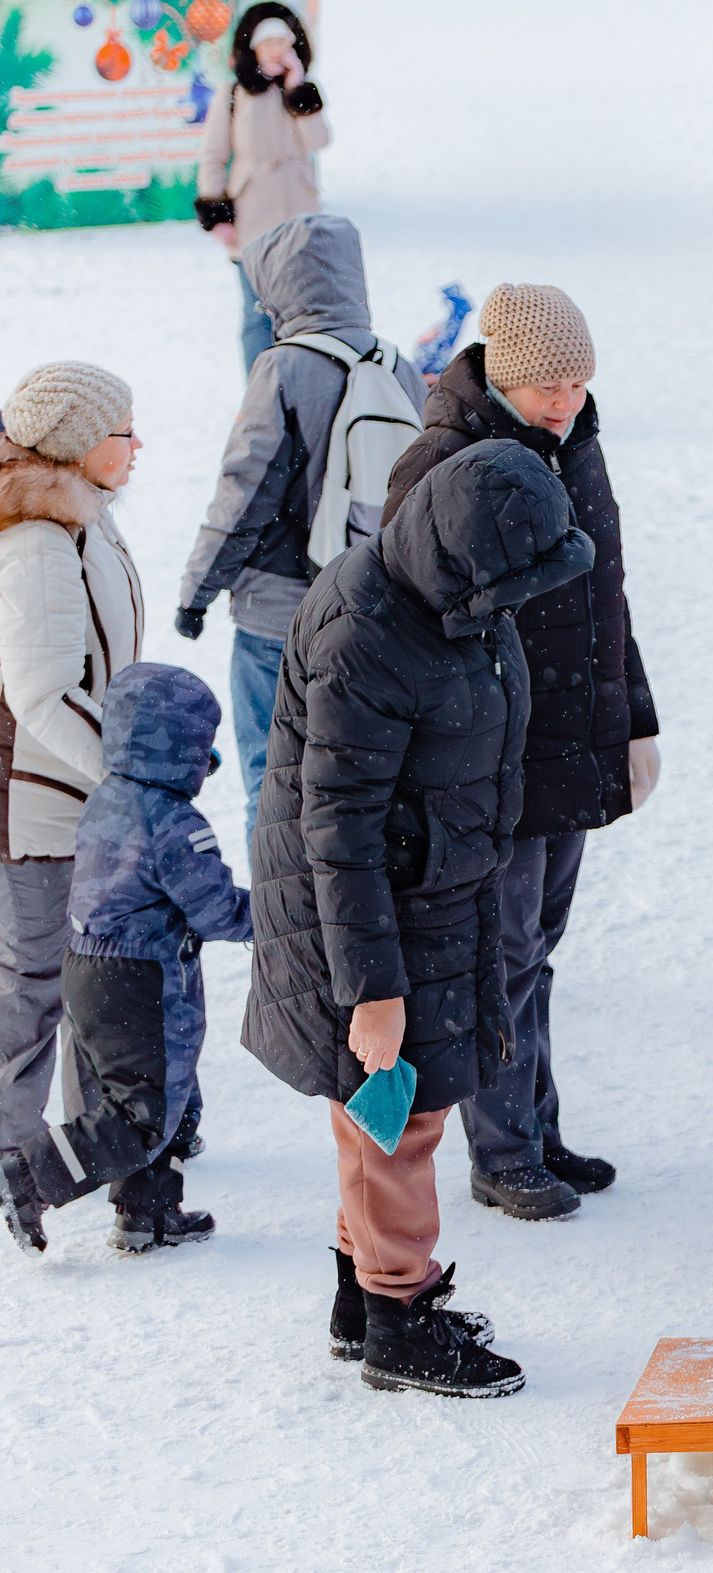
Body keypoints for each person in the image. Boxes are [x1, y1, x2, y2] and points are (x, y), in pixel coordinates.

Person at [242, 441, 594, 1398]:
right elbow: (341, 830)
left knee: (381, 1113)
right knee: (399, 1116)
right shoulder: (368, 632)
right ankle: (399, 1312)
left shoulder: (449, 600)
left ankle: (364, 1298)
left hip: (429, 891)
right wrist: (375, 991)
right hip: (368, 914)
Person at [378, 284, 656, 1222]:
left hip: (568, 743)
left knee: (536, 951)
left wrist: (635, 723)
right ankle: (502, 1153)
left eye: (579, 381)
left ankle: (537, 1128)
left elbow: (604, 598)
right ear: (500, 370)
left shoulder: (578, 445)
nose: (565, 400)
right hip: (486, 753)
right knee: (497, 957)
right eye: (547, 383)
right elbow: (404, 613)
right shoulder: (442, 461)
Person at [175, 213, 427, 845]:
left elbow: (244, 490)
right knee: (355, 776)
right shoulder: (397, 365)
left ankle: (282, 927)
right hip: (371, 607)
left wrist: (197, 589)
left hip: (277, 614)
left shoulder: (283, 367)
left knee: (271, 778)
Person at [0, 665, 250, 1256]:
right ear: (186, 749)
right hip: (140, 978)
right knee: (144, 1113)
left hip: (86, 967)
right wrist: (286, 915)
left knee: (146, 1093)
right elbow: (217, 912)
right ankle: (29, 1176)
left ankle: (149, 1213)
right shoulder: (176, 823)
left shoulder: (108, 794)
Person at [0, 365, 145, 1175]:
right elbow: (46, 693)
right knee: (34, 991)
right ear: (81, 445)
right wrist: (129, 776)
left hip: (78, 801)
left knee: (90, 983)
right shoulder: (38, 544)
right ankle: (13, 1154)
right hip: (38, 810)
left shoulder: (81, 518)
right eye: (125, 430)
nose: (137, 445)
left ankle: (101, 1143)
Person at [193, 3, 329, 373]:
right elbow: (213, 156)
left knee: (302, 312)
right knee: (257, 314)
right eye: (267, 42)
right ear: (253, 46)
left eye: (282, 41)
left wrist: (296, 89)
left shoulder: (301, 92)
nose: (275, 49)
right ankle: (260, 393)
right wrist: (216, 214)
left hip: (299, 211)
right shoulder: (235, 94)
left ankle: (303, 390)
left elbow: (318, 141)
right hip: (251, 213)